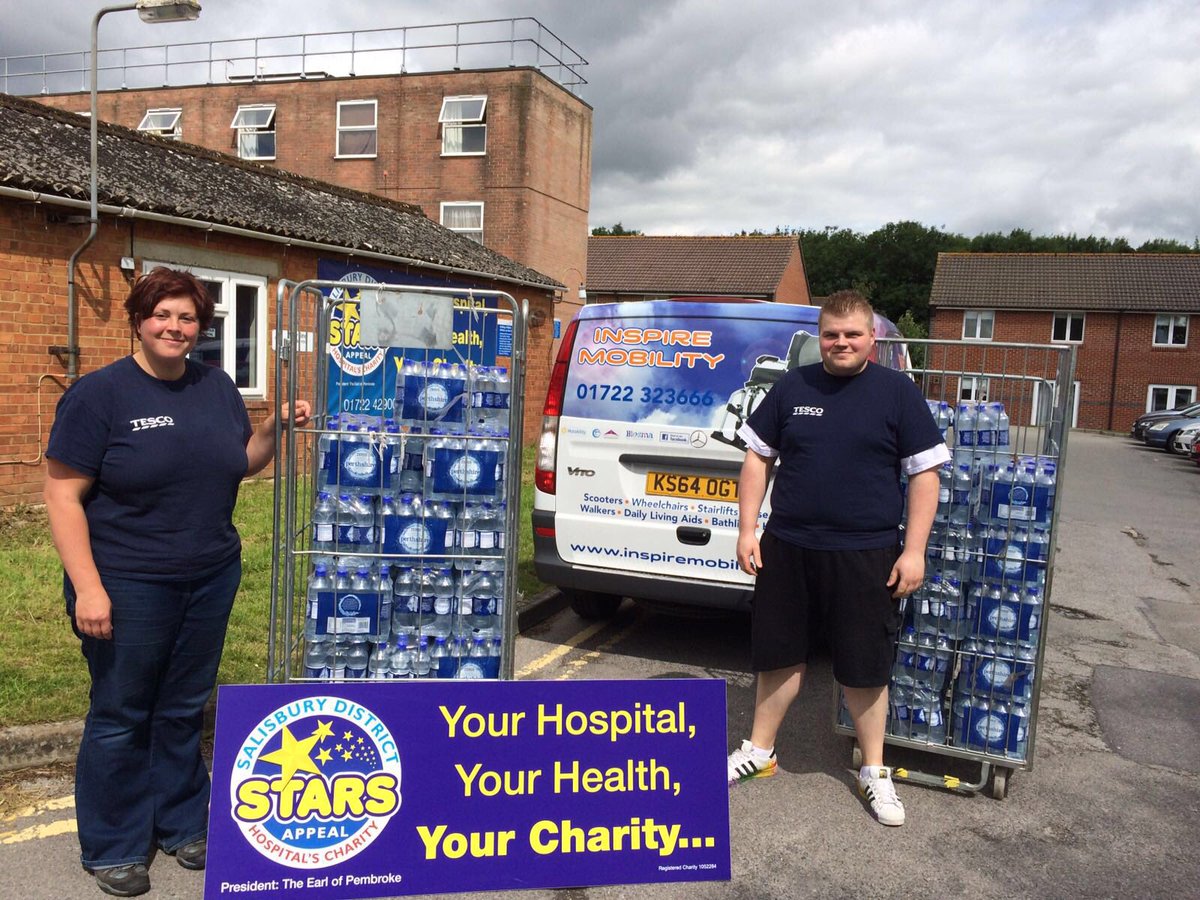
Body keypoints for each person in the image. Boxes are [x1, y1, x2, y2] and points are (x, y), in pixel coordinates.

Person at [44, 267, 311, 896]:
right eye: (162, 315)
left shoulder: (216, 387)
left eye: (187, 317)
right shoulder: (99, 395)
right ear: (138, 320)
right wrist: (88, 586)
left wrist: (272, 429)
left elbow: (236, 464)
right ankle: (114, 843)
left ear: (201, 326)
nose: (174, 327)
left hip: (210, 575)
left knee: (184, 707)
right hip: (126, 581)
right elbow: (61, 496)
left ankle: (183, 821)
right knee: (121, 712)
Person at [725, 290, 949, 827]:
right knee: (778, 654)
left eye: (852, 334)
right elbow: (757, 458)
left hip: (866, 553)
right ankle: (760, 753)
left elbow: (926, 475)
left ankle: (875, 772)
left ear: (872, 338)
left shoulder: (897, 393)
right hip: (789, 546)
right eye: (831, 334)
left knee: (864, 665)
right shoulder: (791, 386)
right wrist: (747, 529)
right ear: (820, 337)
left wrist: (914, 551)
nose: (841, 343)